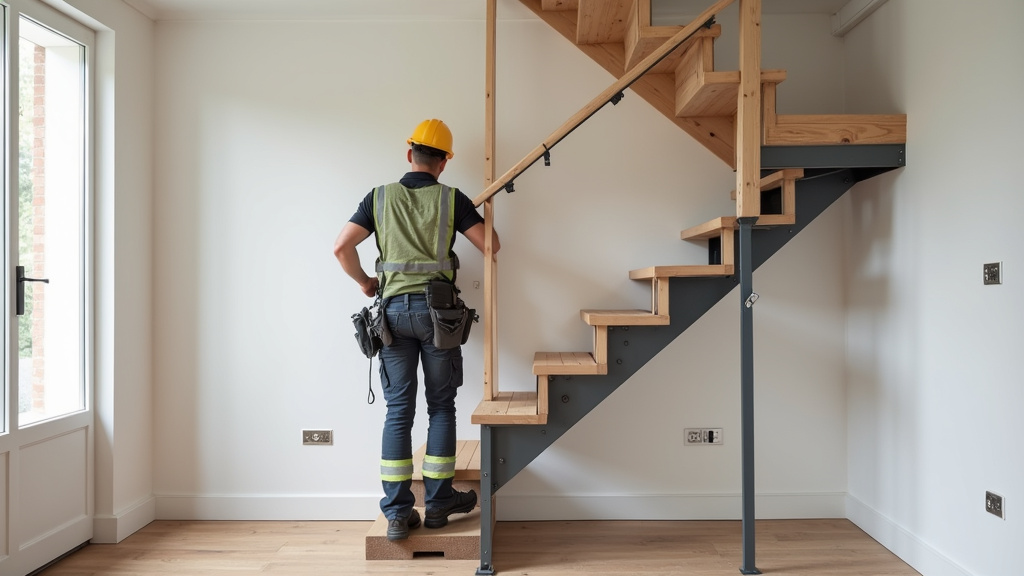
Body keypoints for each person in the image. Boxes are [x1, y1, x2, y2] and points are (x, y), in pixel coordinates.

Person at [333, 119, 500, 541]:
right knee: (441, 407)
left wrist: (365, 283)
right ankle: (439, 503)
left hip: (391, 315)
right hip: (438, 316)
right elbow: (492, 246)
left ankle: (397, 513)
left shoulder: (378, 197)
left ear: (410, 154)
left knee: (398, 411)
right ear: (444, 162)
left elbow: (341, 246)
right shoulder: (451, 199)